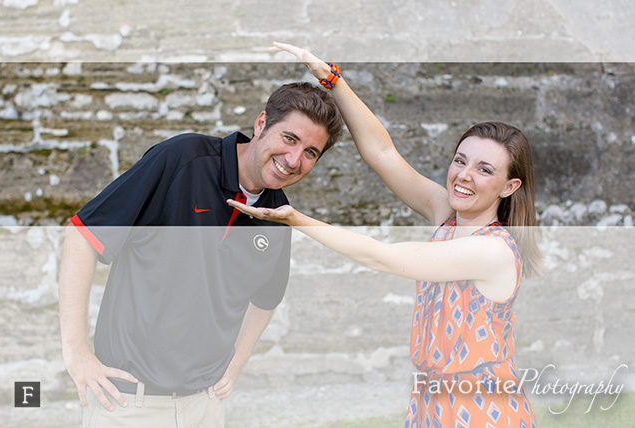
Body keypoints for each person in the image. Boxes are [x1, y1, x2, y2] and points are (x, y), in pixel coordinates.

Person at [229, 42, 543, 428]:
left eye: (484, 170)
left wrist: (298, 220)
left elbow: (383, 256)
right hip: (431, 397)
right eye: (460, 160)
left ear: (509, 187)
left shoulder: (491, 250)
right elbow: (381, 152)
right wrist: (333, 80)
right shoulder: (448, 215)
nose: (463, 175)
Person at [59, 81, 344, 428]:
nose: (294, 160)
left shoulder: (279, 216)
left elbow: (267, 298)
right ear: (261, 124)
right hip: (128, 405)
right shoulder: (183, 159)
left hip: (204, 409)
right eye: (289, 139)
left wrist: (236, 362)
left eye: (311, 152)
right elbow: (83, 235)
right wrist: (76, 352)